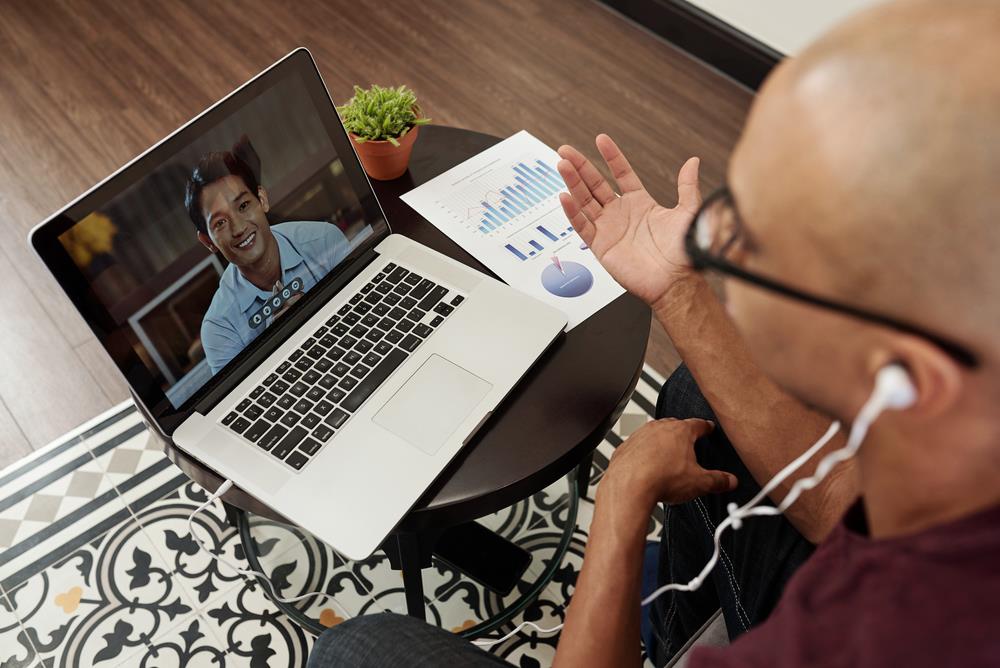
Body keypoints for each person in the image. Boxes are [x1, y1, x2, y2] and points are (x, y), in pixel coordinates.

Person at [306, 0, 1000, 665]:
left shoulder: (871, 636)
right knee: (700, 390)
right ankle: (675, 626)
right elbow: (843, 504)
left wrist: (621, 498)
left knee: (353, 648)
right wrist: (675, 287)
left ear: (910, 377)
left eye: (754, 243)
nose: (727, 254)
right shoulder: (960, 456)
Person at [186, 144, 350, 374]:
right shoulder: (219, 328)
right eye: (220, 223)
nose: (239, 228)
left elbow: (361, 314)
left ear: (261, 199)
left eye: (243, 205)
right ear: (208, 241)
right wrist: (276, 346)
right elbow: (242, 403)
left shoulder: (323, 240)